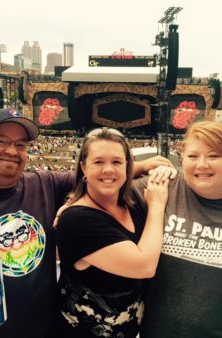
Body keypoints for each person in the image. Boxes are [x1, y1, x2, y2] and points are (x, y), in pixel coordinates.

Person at [0, 108, 171, 338]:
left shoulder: (42, 184)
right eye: (1, 140)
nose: (12, 150)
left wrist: (146, 167)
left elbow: (98, 176)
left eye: (21, 144)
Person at [136, 121, 222, 338]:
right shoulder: (161, 185)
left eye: (213, 156)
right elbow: (101, 182)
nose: (202, 165)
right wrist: (140, 166)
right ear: (182, 160)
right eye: (193, 157)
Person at [56, 127, 169, 338]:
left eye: (117, 162)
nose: (108, 169)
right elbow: (144, 266)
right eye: (98, 162)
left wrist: (163, 170)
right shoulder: (76, 220)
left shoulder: (131, 204)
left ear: (127, 166)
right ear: (83, 167)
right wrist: (157, 206)